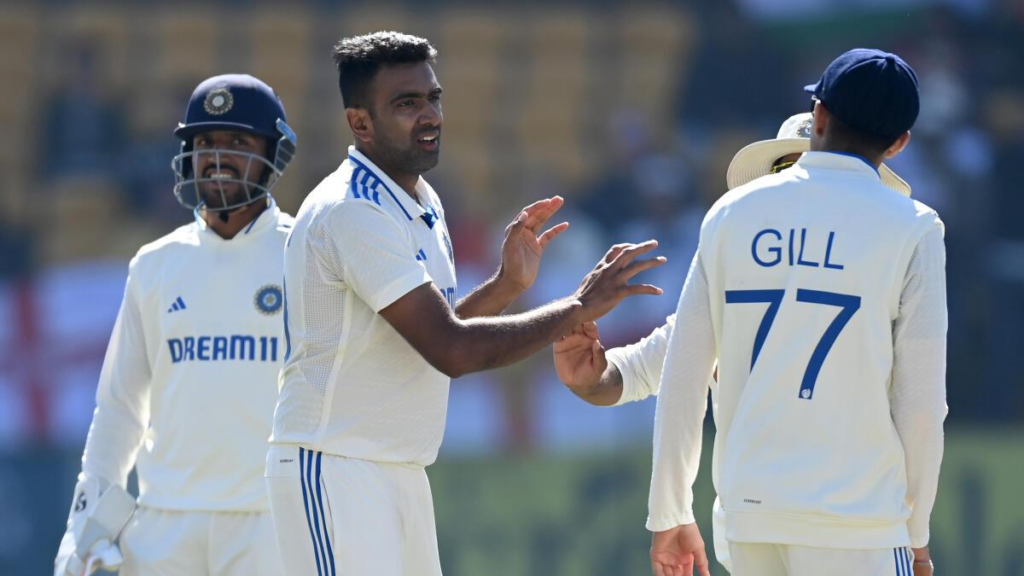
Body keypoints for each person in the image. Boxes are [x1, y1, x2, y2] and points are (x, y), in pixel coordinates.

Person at [264, 31, 665, 576]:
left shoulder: (418, 197)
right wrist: (577, 308)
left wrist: (505, 285)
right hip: (334, 466)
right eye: (406, 104)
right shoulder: (352, 209)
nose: (430, 115)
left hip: (395, 469)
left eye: (434, 98)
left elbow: (429, 338)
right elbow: (451, 350)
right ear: (360, 123)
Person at [554, 110, 915, 574]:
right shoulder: (886, 260)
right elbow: (646, 368)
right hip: (844, 523)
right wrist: (594, 376)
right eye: (791, 176)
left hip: (761, 521)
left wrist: (669, 510)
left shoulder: (746, 274)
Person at [640, 49, 946, 576]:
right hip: (858, 525)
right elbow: (920, 404)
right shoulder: (913, 227)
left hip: (749, 518)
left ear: (819, 115)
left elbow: (685, 373)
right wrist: (914, 535)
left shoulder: (730, 213)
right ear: (899, 143)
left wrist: (669, 509)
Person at [54, 74, 298, 576]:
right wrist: (86, 526)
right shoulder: (154, 265)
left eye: (237, 142)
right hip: (164, 525)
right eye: (204, 142)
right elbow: (120, 407)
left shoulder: (309, 256)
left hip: (272, 524)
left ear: (273, 154)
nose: (217, 156)